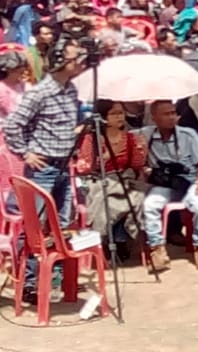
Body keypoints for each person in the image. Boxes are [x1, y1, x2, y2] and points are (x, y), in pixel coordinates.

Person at [2, 38, 87, 303]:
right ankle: (27, 282)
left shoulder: (71, 90)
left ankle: (55, 277)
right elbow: (13, 125)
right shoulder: (40, 92)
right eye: (75, 57)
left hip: (63, 166)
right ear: (61, 60)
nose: (80, 62)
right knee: (33, 227)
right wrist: (25, 152)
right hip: (43, 169)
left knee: (61, 225)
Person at [140, 99, 198, 272]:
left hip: (189, 180)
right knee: (150, 205)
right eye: (166, 114)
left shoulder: (188, 134)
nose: (172, 117)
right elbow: (125, 140)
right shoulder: (146, 134)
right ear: (154, 117)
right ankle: (157, 249)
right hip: (165, 184)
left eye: (173, 113)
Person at [75, 99, 147, 252]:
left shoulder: (130, 138)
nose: (119, 117)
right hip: (98, 179)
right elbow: (84, 167)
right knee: (105, 198)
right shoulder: (92, 139)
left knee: (135, 196)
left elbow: (135, 166)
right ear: (103, 117)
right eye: (113, 114)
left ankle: (121, 239)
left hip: (123, 179)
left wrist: (142, 152)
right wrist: (109, 155)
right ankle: (105, 239)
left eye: (121, 113)